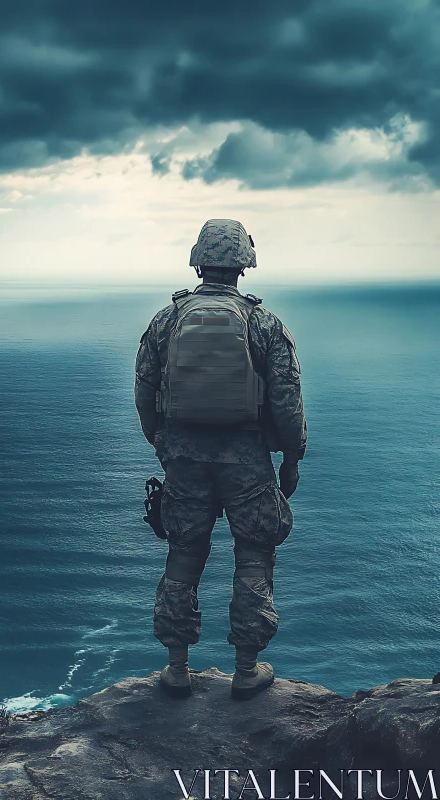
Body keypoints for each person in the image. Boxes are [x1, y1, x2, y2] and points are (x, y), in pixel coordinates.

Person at [135, 219, 307, 700]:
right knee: (253, 556)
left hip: (184, 458)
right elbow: (287, 400)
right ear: (244, 265)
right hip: (248, 460)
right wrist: (291, 457)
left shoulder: (167, 320)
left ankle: (175, 668)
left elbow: (144, 390)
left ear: (199, 260)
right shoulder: (264, 323)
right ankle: (247, 670)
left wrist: (163, 444)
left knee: (183, 555)